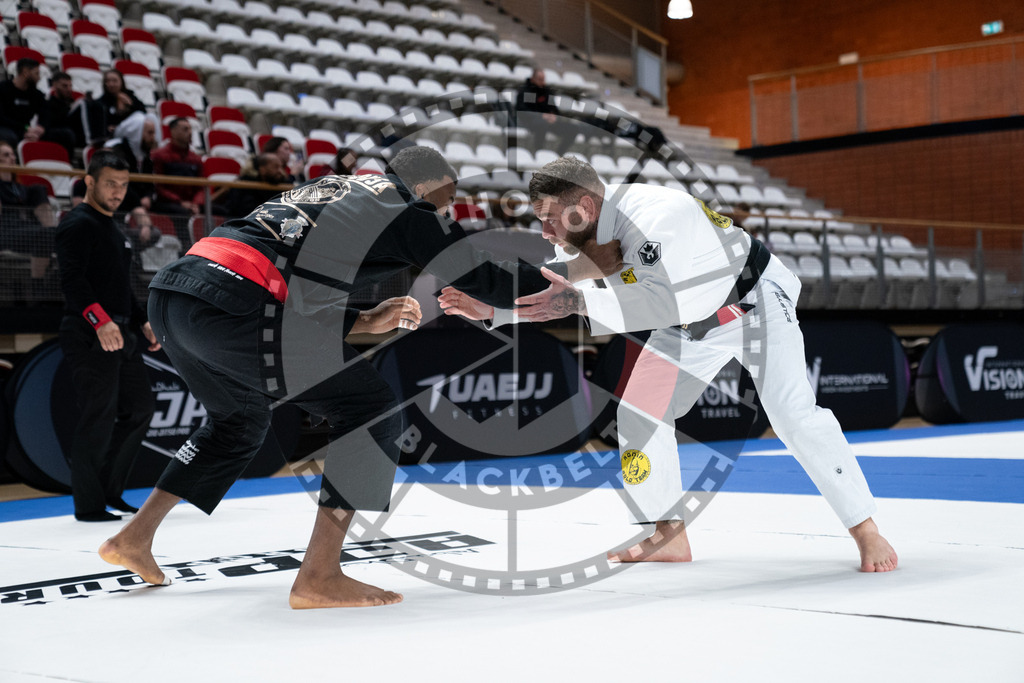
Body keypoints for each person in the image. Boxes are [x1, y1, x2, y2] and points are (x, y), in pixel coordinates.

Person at [96, 146, 622, 607]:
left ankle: (134, 539)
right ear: (426, 188)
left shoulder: (331, 190)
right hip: (234, 304)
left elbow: (286, 272)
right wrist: (576, 278)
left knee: (238, 420)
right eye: (445, 201)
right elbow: (475, 267)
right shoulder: (408, 206)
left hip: (174, 294)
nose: (446, 213)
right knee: (367, 410)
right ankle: (319, 575)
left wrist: (362, 319)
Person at [438, 156, 899, 573]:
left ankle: (866, 529)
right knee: (639, 414)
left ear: (584, 205)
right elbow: (557, 294)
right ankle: (668, 536)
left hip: (753, 302)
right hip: (688, 324)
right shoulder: (583, 232)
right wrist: (496, 311)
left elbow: (659, 303)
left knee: (792, 415)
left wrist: (579, 299)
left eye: (549, 220)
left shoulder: (659, 215)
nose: (545, 232)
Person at [54, 150, 160, 522]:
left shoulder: (113, 227)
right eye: (111, 184)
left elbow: (120, 286)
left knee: (141, 409)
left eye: (124, 185)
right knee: (98, 416)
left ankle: (110, 491)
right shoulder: (77, 223)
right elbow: (72, 281)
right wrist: (99, 320)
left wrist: (142, 319)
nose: (118, 191)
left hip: (122, 330)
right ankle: (88, 505)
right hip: (89, 332)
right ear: (90, 182)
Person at [0, 140, 58, 283]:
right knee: (47, 235)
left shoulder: (22, 188)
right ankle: (38, 286)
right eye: (6, 155)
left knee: (39, 189)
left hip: (29, 230)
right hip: (5, 232)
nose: (12, 158)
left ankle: (46, 285)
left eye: (13, 154)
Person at [0, 58, 76, 155]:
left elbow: (46, 114)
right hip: (9, 128)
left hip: (30, 130)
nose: (39, 78)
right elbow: (1, 118)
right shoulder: (3, 89)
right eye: (36, 73)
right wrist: (25, 128)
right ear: (25, 72)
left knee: (67, 135)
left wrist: (41, 128)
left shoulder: (36, 94)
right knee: (9, 137)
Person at [150, 117, 203, 247]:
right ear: (173, 132)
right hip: (167, 203)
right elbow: (158, 187)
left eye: (190, 129)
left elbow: (201, 187)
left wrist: (196, 203)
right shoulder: (159, 155)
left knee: (222, 211)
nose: (190, 132)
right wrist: (180, 202)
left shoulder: (196, 159)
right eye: (185, 129)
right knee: (182, 213)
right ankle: (186, 249)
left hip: (190, 204)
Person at [515, 68, 577, 156]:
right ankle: (539, 153)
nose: (542, 82)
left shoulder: (546, 91)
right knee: (542, 124)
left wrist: (554, 116)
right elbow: (522, 110)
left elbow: (554, 108)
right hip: (530, 121)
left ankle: (558, 154)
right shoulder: (525, 91)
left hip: (548, 122)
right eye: (540, 79)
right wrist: (541, 116)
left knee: (573, 128)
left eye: (543, 79)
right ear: (533, 79)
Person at [83, 68, 146, 144]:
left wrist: (131, 104)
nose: (111, 84)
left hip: (131, 131)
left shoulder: (130, 96)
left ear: (121, 82)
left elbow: (143, 113)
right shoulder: (101, 103)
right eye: (108, 81)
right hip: (114, 134)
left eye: (114, 81)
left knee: (144, 117)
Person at [218, 152, 289, 218]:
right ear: (262, 169)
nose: (280, 171)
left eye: (281, 167)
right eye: (276, 167)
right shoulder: (245, 185)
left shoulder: (284, 186)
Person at [43, 71, 85, 156]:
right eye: (64, 86)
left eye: (70, 86)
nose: (69, 89)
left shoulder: (72, 102)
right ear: (54, 85)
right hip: (56, 133)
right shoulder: (48, 103)